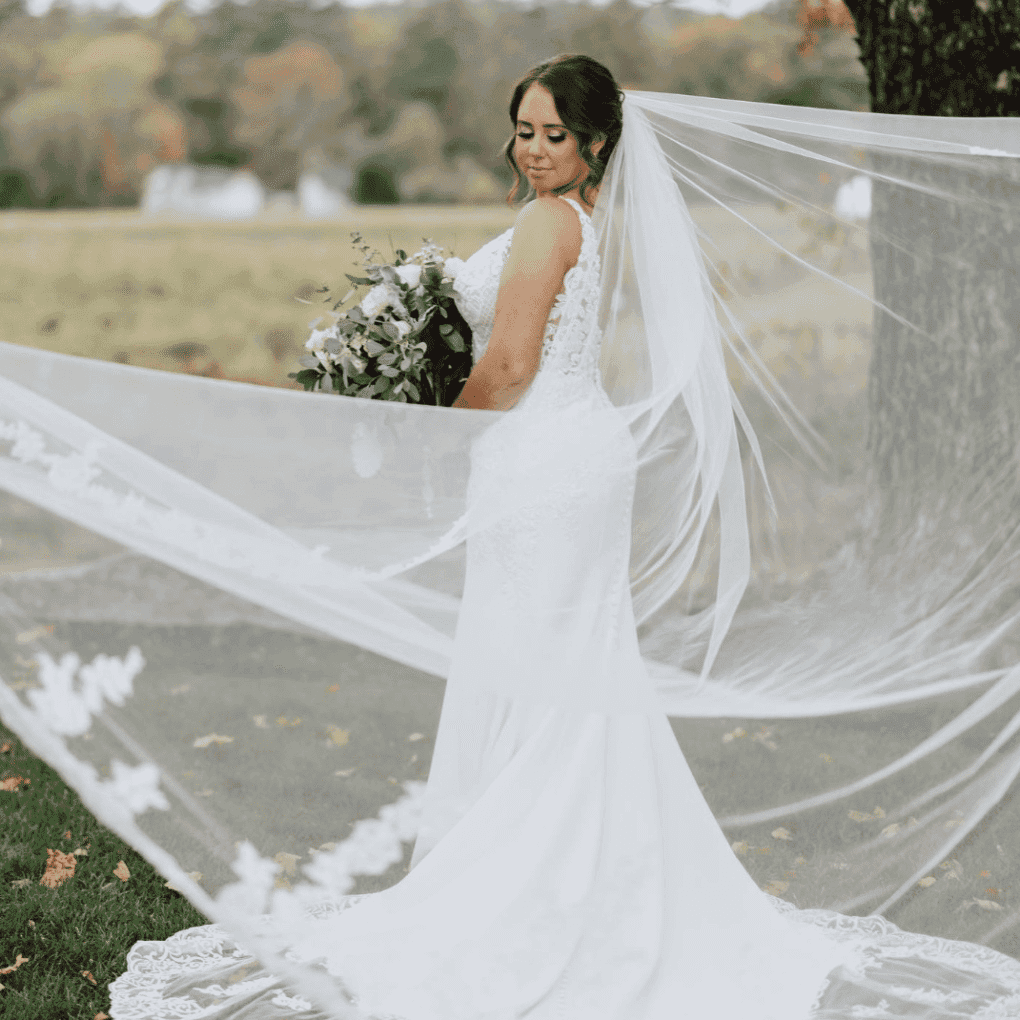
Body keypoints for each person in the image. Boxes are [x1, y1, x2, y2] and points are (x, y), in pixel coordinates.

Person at [2, 54, 1019, 1020]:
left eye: (554, 134)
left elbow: (512, 366)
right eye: (523, 131)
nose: (533, 149)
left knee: (540, 670)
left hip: (543, 460)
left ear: (595, 145)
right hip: (568, 458)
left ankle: (543, 888)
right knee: (562, 671)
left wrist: (420, 432)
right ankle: (579, 876)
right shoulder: (578, 219)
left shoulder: (546, 226)